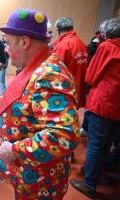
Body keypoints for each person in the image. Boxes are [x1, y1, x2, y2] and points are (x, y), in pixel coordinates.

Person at [0, 9, 80, 200]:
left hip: (40, 183)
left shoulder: (48, 75)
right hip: (29, 177)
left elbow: (64, 135)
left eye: (8, 43)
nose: (6, 50)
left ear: (25, 42)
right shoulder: (33, 67)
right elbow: (17, 101)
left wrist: (16, 150)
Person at [70, 17, 120, 199]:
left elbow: (90, 77)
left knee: (95, 145)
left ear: (109, 33)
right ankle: (95, 173)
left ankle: (89, 183)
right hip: (117, 107)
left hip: (104, 103)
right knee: (106, 143)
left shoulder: (107, 47)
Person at [51, 17, 89, 109]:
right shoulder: (81, 44)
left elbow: (53, 69)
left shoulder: (63, 46)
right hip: (77, 89)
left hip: (64, 91)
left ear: (57, 30)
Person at [80, 20, 108, 137]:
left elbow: (90, 76)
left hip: (101, 90)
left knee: (96, 142)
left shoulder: (105, 47)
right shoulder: (93, 45)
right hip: (95, 87)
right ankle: (86, 127)